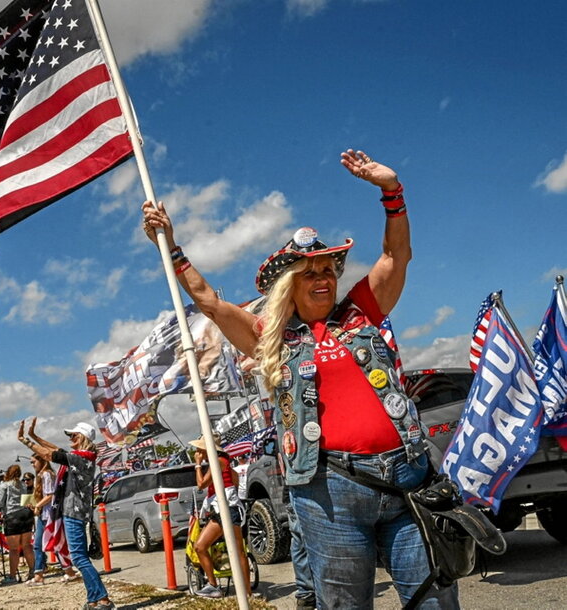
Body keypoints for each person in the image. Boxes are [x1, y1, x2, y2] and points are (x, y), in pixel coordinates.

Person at [142, 149, 458, 608]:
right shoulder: (271, 338)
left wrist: (392, 191)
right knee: (344, 604)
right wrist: (169, 245)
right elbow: (208, 300)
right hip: (330, 490)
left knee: (434, 597)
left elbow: (396, 254)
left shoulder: (362, 309)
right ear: (291, 282)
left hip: (406, 476)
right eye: (309, 272)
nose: (323, 278)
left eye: (328, 269)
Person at [18, 418, 115, 610]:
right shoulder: (82, 457)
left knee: (78, 557)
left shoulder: (82, 458)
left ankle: (103, 599)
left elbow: (49, 454)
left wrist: (24, 440)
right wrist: (34, 436)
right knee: (78, 556)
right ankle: (93, 599)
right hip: (73, 511)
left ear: (81, 437)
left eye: (72, 435)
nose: (70, 437)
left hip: (74, 511)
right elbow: (57, 450)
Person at [190, 434, 250, 599]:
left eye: (199, 448)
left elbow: (202, 484)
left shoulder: (218, 460)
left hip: (226, 509)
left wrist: (197, 464)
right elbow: (235, 480)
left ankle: (219, 587)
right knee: (235, 551)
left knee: (204, 547)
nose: (197, 451)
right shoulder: (223, 460)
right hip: (225, 508)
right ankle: (243, 592)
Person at [27, 453, 80, 586]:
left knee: (47, 543)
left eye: (34, 462)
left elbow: (50, 495)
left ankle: (45, 574)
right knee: (43, 544)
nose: (32, 465)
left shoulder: (47, 475)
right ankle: (62, 571)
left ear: (41, 461)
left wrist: (37, 505)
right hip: (43, 514)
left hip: (49, 514)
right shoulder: (42, 475)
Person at [0, 464, 36, 583]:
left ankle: (12, 576)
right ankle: (33, 571)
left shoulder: (5, 485)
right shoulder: (23, 484)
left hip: (12, 516)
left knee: (14, 549)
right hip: (26, 514)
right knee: (27, 545)